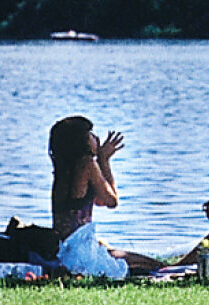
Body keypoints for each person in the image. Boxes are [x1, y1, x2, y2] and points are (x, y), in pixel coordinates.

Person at [47, 115, 161, 273]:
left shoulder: (65, 168)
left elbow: (99, 200)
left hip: (64, 250)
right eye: (91, 135)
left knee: (118, 252)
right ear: (81, 142)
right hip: (81, 253)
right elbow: (111, 201)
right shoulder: (87, 164)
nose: (96, 138)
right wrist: (104, 160)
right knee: (154, 265)